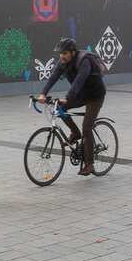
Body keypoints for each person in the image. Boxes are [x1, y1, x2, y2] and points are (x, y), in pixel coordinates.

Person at [37, 37, 106, 176]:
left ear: (72, 52)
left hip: (95, 96)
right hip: (80, 94)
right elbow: (53, 77)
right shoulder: (63, 62)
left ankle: (90, 164)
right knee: (60, 109)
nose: (61, 56)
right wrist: (43, 94)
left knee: (87, 128)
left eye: (64, 53)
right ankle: (75, 133)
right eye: (60, 53)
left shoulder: (84, 61)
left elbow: (79, 81)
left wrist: (67, 98)